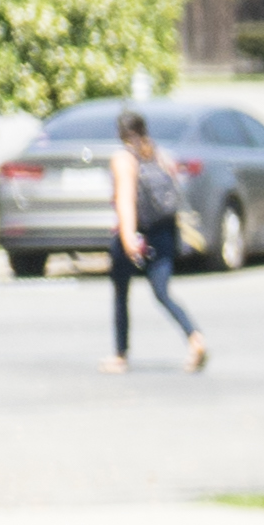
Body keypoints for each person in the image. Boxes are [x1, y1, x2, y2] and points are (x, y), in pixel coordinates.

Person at [104, 106, 206, 373]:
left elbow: (125, 199)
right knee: (162, 292)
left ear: (121, 133)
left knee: (121, 294)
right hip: (165, 232)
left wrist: (127, 238)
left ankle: (120, 355)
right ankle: (194, 337)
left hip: (137, 234)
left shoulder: (124, 159)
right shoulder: (160, 155)